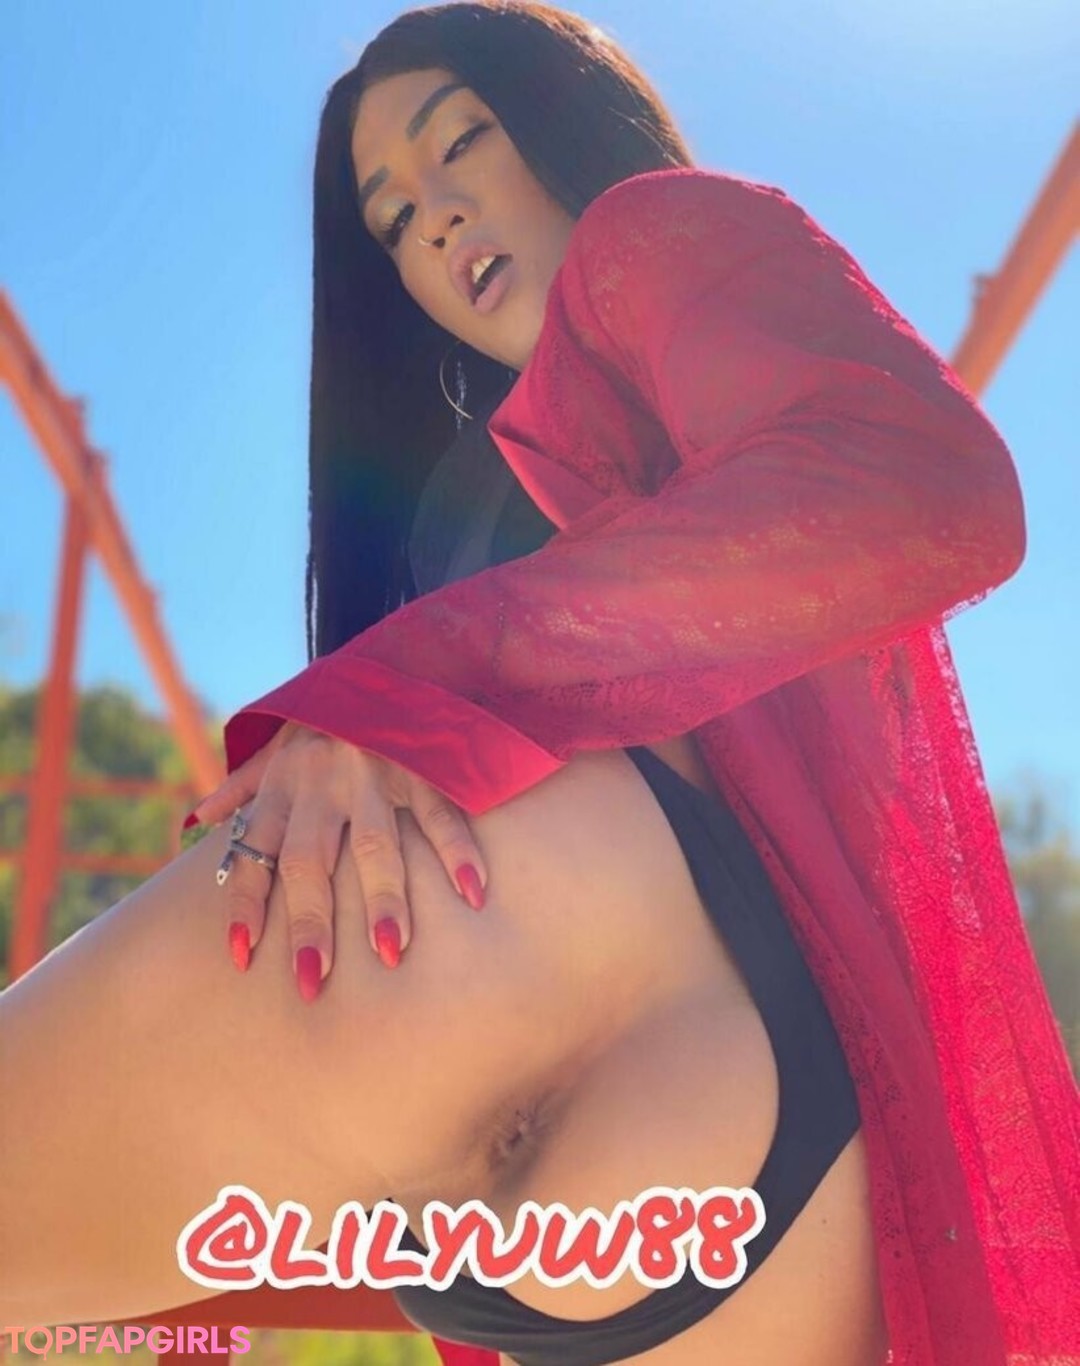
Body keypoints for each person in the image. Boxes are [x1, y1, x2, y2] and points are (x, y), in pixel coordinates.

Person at [1, 3, 1076, 1365]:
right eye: (394, 221)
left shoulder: (650, 235)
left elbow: (928, 483)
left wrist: (395, 688)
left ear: (561, 116)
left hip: (685, 1015)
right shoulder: (463, 485)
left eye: (461, 144)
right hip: (690, 1210)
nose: (436, 220)